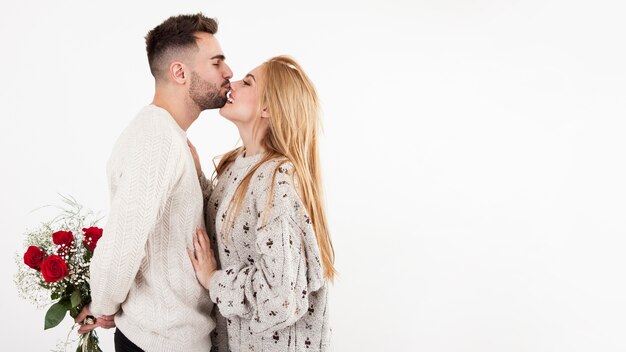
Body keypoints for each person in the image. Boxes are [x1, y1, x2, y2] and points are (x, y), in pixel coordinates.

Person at [75, 13, 233, 352]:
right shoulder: (154, 139)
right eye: (217, 62)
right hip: (159, 342)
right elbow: (121, 244)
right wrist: (102, 307)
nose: (229, 72)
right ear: (179, 72)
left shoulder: (168, 137)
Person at [188, 56, 335, 352]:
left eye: (248, 82)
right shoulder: (237, 163)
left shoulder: (277, 178)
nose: (233, 83)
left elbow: (281, 298)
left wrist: (214, 279)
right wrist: (196, 175)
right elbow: (229, 225)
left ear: (268, 107)